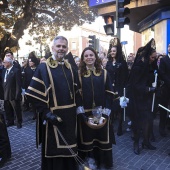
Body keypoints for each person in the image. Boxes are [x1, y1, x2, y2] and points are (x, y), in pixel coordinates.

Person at [25, 36, 82, 170]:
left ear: (67, 49)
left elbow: (77, 93)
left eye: (64, 46)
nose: (61, 49)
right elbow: (33, 95)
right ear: (53, 48)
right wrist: (46, 113)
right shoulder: (43, 68)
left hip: (70, 118)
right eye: (58, 46)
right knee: (54, 151)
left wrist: (80, 111)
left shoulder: (71, 68)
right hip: (53, 118)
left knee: (70, 148)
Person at [77, 47, 115, 169]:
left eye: (91, 55)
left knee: (102, 138)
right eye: (86, 55)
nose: (89, 57)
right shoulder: (78, 74)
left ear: (95, 57)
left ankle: (103, 162)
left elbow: (109, 93)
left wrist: (106, 113)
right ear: (83, 59)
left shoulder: (104, 73)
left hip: (102, 113)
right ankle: (88, 163)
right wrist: (81, 113)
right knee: (87, 140)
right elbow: (77, 96)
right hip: (86, 114)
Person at [127, 38, 157, 155]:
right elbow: (135, 85)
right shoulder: (138, 66)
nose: (154, 60)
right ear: (147, 55)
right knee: (137, 122)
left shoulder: (150, 65)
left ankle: (146, 141)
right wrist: (148, 89)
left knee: (148, 120)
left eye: (155, 58)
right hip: (136, 98)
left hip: (146, 98)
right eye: (152, 57)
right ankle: (136, 143)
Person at [105, 38, 129, 136]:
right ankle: (110, 127)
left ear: (118, 52)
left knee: (119, 109)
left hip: (119, 89)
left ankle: (119, 126)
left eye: (114, 51)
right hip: (110, 89)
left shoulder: (123, 63)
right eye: (111, 51)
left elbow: (126, 77)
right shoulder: (108, 63)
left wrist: (124, 91)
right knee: (109, 108)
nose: (112, 52)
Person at [2, 56, 22, 128]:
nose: (3, 63)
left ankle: (19, 122)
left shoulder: (16, 70)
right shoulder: (4, 71)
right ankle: (10, 121)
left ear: (8, 63)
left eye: (4, 62)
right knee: (7, 108)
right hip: (5, 93)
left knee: (16, 109)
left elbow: (18, 84)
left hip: (13, 93)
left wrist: (17, 94)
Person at [158, 44, 170, 137]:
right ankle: (161, 128)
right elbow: (162, 73)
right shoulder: (163, 60)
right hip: (166, 88)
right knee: (163, 109)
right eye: (169, 46)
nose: (169, 47)